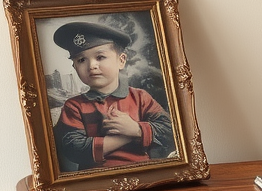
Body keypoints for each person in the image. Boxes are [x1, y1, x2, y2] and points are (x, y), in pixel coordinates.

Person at [51, 21, 175, 172]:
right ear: (74, 66)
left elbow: (169, 130)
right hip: (96, 179)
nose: (91, 66)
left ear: (121, 61)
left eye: (100, 57)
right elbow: (73, 148)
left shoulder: (140, 97)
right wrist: (127, 135)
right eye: (81, 60)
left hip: (143, 173)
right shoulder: (74, 106)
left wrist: (136, 129)